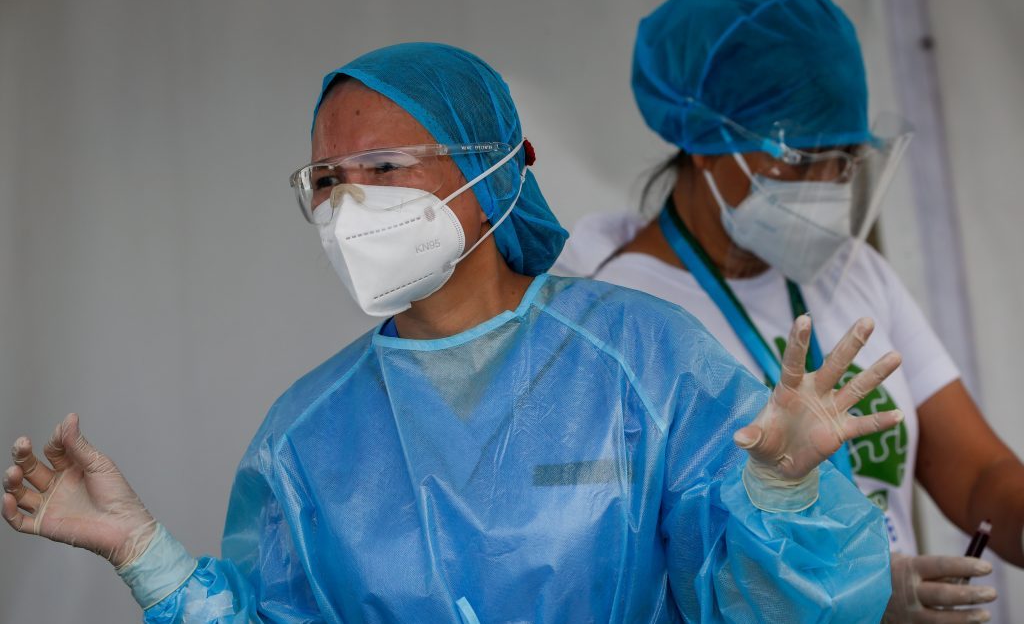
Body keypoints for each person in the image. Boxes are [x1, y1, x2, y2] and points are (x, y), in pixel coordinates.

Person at [5, 42, 901, 623]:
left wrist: (784, 496)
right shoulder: (305, 439)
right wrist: (146, 556)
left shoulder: (644, 364)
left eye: (385, 167)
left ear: (496, 166)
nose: (350, 203)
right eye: (326, 178)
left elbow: (776, 608)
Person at [555, 0, 1024, 622]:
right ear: (705, 139)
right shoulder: (616, 321)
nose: (828, 182)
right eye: (802, 159)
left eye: (846, 159)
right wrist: (843, 599)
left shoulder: (855, 274)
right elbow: (626, 575)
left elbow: (978, 473)